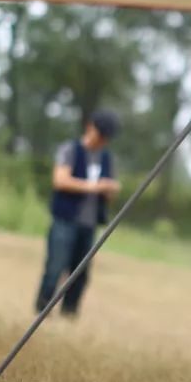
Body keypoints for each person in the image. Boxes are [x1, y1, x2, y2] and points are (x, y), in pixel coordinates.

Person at [34, 110, 122, 317]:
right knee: (55, 267)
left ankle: (69, 312)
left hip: (89, 223)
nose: (101, 141)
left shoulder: (106, 158)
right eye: (100, 135)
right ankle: (42, 309)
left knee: (80, 273)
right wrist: (95, 186)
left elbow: (106, 193)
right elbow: (60, 180)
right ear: (90, 127)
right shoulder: (70, 150)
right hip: (65, 220)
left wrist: (109, 189)